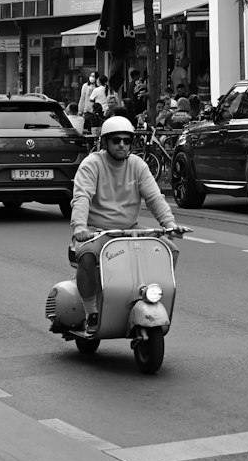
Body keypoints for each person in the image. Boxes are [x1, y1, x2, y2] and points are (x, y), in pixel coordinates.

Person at [70, 116, 182, 334]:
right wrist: (80, 228)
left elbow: (155, 198)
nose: (122, 145)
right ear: (105, 143)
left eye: (127, 140)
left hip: (131, 229)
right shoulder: (92, 164)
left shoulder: (137, 165)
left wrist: (170, 224)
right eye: (116, 140)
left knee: (170, 250)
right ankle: (92, 312)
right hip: (98, 231)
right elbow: (81, 197)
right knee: (87, 256)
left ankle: (149, 294)